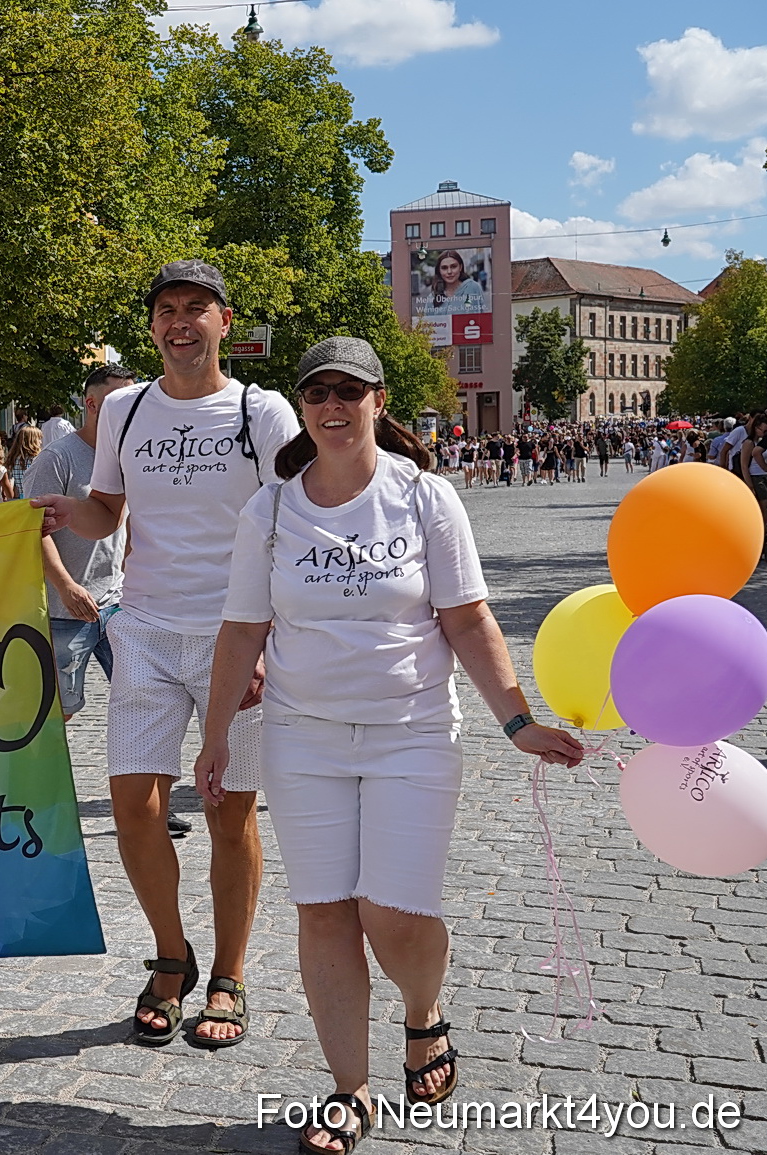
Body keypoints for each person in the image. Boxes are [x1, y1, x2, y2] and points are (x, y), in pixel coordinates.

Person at [193, 338, 583, 1152]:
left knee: (393, 916)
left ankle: (422, 1009)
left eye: (349, 391)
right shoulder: (268, 511)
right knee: (325, 912)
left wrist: (518, 720)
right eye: (317, 393)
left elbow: (468, 618)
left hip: (411, 733)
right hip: (303, 736)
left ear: (379, 400)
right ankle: (349, 1090)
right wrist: (217, 732)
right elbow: (241, 629)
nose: (332, 406)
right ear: (303, 407)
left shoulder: (425, 497)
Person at [33, 259, 300, 1049]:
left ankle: (230, 973)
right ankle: (171, 954)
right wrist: (58, 514)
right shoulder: (123, 408)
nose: (179, 322)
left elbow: (297, 524)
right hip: (144, 627)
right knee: (133, 809)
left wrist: (268, 639)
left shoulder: (264, 411)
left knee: (228, 813)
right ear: (152, 325)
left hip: (237, 635)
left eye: (196, 308)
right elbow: (108, 509)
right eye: (166, 311)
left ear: (225, 321)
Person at [24, 367, 128, 723]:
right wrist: (66, 587)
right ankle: (41, 779)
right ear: (91, 404)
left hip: (117, 603)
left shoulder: (127, 456)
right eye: (119, 401)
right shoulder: (57, 458)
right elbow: (33, 531)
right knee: (57, 713)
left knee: (140, 700)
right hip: (65, 609)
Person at [418, 250, 486, 316]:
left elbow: (482, 318)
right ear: (439, 271)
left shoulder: (472, 287)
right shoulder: (432, 297)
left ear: (460, 267)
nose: (449, 271)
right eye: (444, 268)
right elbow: (428, 324)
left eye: (453, 266)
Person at [7, 424, 44, 498]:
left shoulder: (15, 459)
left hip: (23, 497)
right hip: (37, 498)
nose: (41, 442)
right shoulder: (36, 459)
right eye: (39, 439)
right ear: (32, 441)